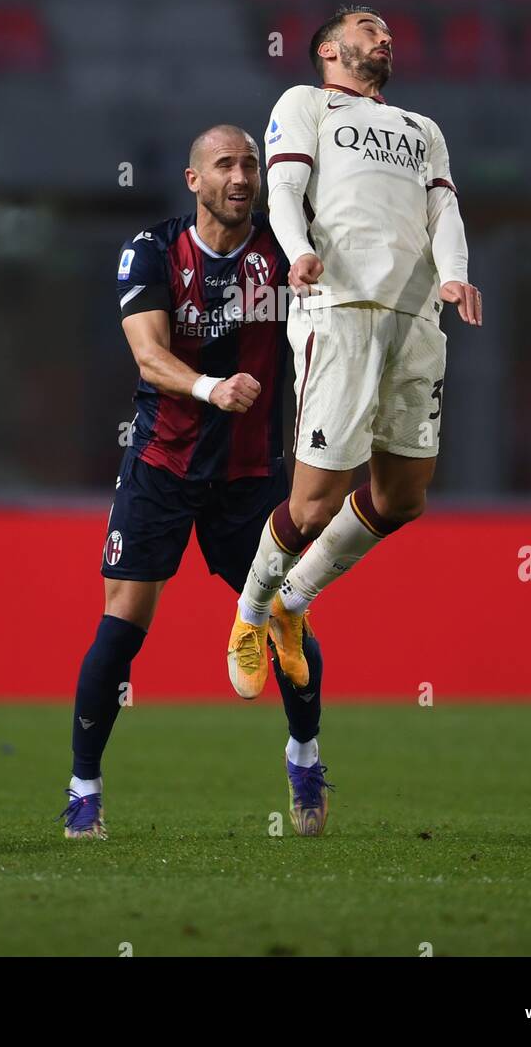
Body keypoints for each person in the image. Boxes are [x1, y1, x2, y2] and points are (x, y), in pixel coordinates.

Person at [58, 125, 332, 840]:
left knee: (285, 620)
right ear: (194, 180)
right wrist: (212, 388)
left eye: (250, 164)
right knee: (123, 627)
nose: (241, 176)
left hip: (247, 479)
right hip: (162, 467)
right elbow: (148, 358)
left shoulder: (284, 252)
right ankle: (84, 785)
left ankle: (304, 755)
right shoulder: (152, 253)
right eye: (225, 165)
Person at [227, 7, 482, 698]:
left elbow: (443, 212)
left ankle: (292, 602)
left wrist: (454, 273)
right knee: (312, 506)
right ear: (330, 49)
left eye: (387, 28)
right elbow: (282, 189)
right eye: (368, 26)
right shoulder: (306, 103)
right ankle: (250, 613)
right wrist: (300, 252)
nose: (384, 34)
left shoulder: (422, 129)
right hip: (339, 310)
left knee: (403, 498)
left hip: (417, 316)